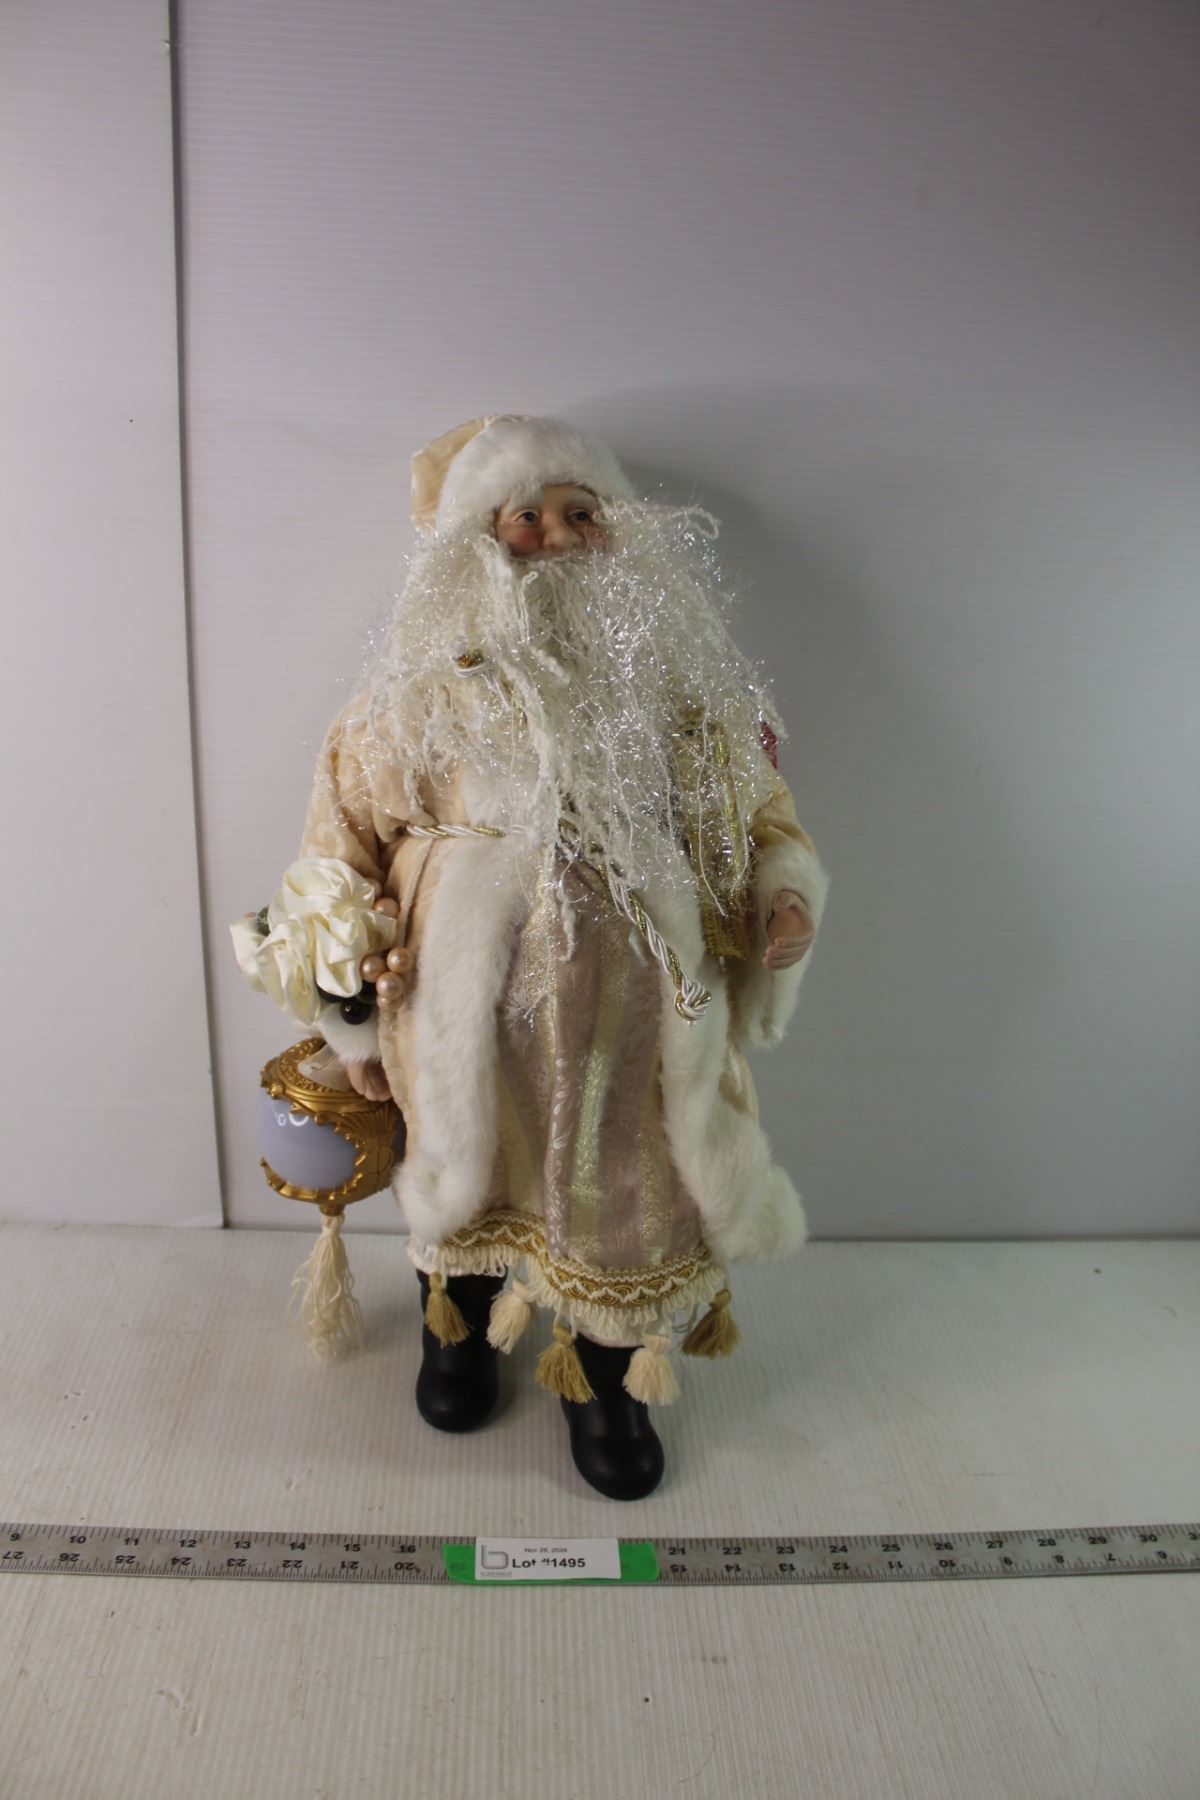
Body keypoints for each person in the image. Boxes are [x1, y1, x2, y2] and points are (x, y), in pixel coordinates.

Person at [295, 414, 829, 1498]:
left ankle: (608, 1370)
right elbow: (339, 839)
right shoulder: (416, 691)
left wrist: (779, 893)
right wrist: (345, 1004)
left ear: (618, 530)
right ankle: (456, 1323)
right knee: (465, 1160)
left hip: (627, 1020)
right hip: (456, 1005)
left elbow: (753, 810)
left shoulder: (675, 688)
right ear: (474, 541)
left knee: (620, 1180)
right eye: (525, 515)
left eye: (580, 513)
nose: (554, 535)